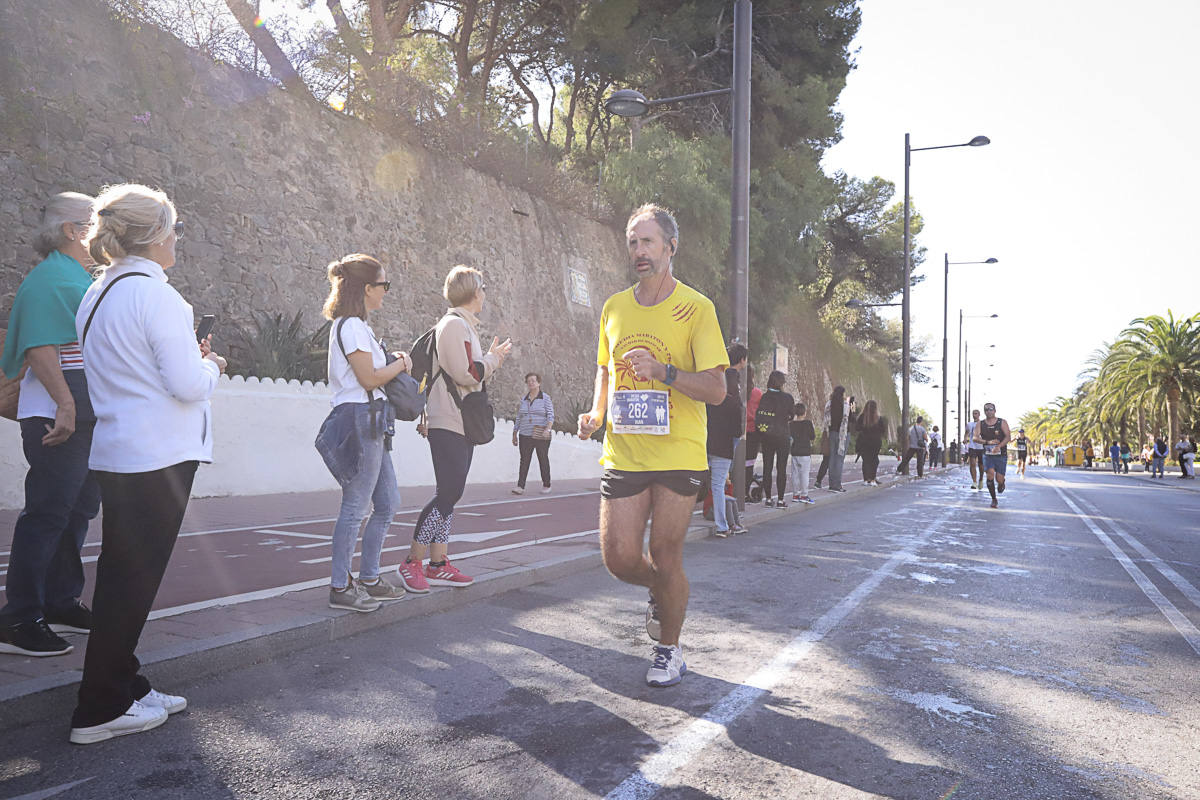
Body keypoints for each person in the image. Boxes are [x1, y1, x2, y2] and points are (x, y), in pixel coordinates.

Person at [68, 184, 226, 744]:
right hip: (160, 456)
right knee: (131, 582)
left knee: (122, 576)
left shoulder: (99, 293)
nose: (177, 238)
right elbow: (187, 384)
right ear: (156, 235)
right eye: (174, 228)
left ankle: (124, 683)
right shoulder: (159, 298)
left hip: (121, 450)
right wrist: (213, 368)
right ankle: (99, 707)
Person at [577, 204, 727, 688]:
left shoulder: (697, 308)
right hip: (624, 449)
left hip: (678, 450)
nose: (639, 251)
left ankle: (669, 650)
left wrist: (664, 372)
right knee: (618, 556)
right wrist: (597, 412)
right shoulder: (614, 307)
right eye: (633, 243)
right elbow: (605, 368)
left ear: (670, 246)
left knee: (666, 552)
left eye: (647, 242)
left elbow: (716, 390)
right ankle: (663, 592)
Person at [0, 193, 101, 659]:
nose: (102, 232)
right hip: (57, 416)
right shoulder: (49, 278)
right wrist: (65, 405)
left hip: (80, 415)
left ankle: (59, 601)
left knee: (77, 510)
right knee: (47, 513)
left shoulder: (76, 275)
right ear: (71, 231)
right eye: (94, 223)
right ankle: (19, 617)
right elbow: (40, 346)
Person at [396, 266, 512, 592]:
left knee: (450, 494)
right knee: (448, 493)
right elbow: (467, 374)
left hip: (459, 421)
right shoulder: (454, 326)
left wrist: (488, 360)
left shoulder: (463, 327)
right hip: (449, 421)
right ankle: (412, 562)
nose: (485, 294)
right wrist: (493, 360)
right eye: (483, 287)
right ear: (474, 292)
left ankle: (438, 562)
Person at [320, 253, 411, 612]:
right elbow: (369, 379)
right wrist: (401, 364)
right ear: (366, 288)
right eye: (383, 285)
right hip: (361, 417)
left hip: (373, 418)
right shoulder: (352, 327)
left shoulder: (359, 326)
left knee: (388, 504)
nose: (386, 292)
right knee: (356, 506)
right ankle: (341, 586)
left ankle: (370, 577)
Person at [706, 342, 746, 537]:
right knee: (718, 484)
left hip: (706, 440)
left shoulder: (711, 387)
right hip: (724, 444)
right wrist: (738, 434)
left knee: (691, 480)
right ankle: (722, 525)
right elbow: (736, 421)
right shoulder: (733, 395)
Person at [754, 370, 793, 507]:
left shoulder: (765, 397)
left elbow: (760, 415)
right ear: (782, 383)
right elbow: (791, 416)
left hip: (767, 436)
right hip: (783, 436)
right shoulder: (788, 398)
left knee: (767, 467)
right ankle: (781, 499)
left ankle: (768, 498)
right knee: (781, 469)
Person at [512, 372, 555, 495]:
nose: (531, 383)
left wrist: (548, 429)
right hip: (525, 434)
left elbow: (551, 415)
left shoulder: (545, 398)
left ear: (539, 383)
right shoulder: (524, 400)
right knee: (524, 460)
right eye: (529, 381)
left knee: (543, 458)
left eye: (533, 380)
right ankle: (520, 486)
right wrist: (515, 433)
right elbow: (519, 417)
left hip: (541, 434)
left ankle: (546, 484)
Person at [973, 402, 1010, 509]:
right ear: (984, 412)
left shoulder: (1001, 422)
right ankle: (994, 499)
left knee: (999, 478)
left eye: (991, 409)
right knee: (990, 474)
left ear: (995, 410)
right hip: (987, 454)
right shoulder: (981, 424)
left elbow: (1008, 437)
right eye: (987, 410)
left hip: (1000, 454)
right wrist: (987, 442)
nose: (989, 411)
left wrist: (999, 446)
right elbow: (975, 438)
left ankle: (1001, 483)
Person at [820, 386, 852, 492]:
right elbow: (850, 420)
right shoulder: (846, 405)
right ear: (843, 394)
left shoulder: (829, 404)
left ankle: (831, 484)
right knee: (839, 459)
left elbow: (826, 420)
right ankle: (837, 485)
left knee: (832, 458)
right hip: (843, 435)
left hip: (832, 433)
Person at [854, 400, 886, 486]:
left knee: (866, 461)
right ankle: (872, 479)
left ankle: (866, 479)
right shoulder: (878, 418)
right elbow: (883, 430)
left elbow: (857, 428)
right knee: (874, 460)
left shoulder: (862, 417)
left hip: (864, 442)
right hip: (875, 442)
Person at [789, 402, 816, 503]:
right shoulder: (808, 423)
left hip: (795, 452)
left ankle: (795, 495)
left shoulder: (791, 424)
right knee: (804, 474)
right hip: (805, 452)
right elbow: (812, 436)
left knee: (795, 474)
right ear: (804, 413)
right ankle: (804, 495)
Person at [743, 367, 763, 501]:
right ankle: (745, 493)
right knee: (749, 465)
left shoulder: (737, 390)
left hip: (738, 431)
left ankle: (733, 491)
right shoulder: (757, 393)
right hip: (753, 432)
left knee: (735, 464)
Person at [964, 409, 984, 489]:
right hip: (972, 446)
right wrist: (965, 438)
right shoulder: (969, 424)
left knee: (981, 465)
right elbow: (966, 433)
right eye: (973, 414)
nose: (974, 415)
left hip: (982, 447)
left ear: (979, 414)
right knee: (972, 464)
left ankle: (981, 479)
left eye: (976, 413)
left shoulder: (983, 424)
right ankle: (974, 482)